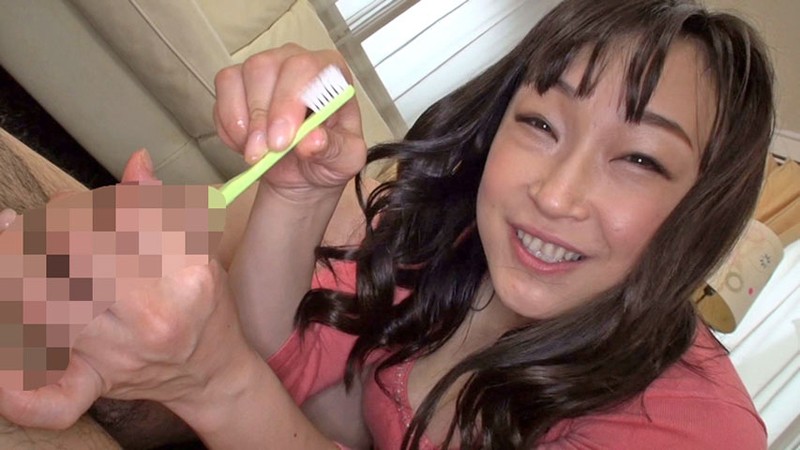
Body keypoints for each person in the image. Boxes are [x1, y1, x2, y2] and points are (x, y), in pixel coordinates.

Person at [0, 0, 774, 448]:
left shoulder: (694, 433)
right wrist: (298, 193)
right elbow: (313, 386)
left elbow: (252, 382)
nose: (556, 194)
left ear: (702, 209)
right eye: (540, 123)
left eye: (639, 160)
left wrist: (212, 380)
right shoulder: (461, 247)